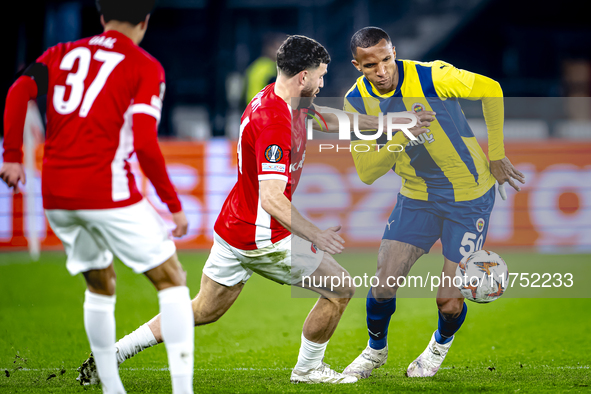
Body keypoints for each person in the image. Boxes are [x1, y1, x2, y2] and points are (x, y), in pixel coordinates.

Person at [79, 35, 359, 385]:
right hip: (262, 236)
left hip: (234, 227)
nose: (323, 83)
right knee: (340, 288)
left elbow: (329, 121)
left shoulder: (281, 100)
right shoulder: (275, 122)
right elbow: (272, 200)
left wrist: (393, 125)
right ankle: (308, 370)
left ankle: (114, 352)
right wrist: (315, 234)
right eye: (320, 76)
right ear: (303, 76)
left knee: (203, 309)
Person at [0, 1, 195, 393]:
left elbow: (19, 88)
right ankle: (182, 390)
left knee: (100, 284)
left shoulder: (61, 53)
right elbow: (144, 143)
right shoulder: (145, 66)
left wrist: (12, 157)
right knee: (173, 281)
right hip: (108, 193)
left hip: (57, 197)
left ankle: (111, 387)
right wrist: (173, 205)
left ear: (103, 18)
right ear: (145, 21)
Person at [341, 27, 526, 379]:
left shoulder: (433, 75)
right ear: (357, 65)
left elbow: (492, 89)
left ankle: (437, 347)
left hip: (469, 196)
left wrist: (497, 154)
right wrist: (402, 134)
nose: (381, 71)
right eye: (370, 66)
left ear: (394, 52)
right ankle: (374, 351)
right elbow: (366, 172)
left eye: (386, 60)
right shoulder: (356, 102)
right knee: (382, 284)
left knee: (449, 300)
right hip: (417, 197)